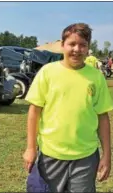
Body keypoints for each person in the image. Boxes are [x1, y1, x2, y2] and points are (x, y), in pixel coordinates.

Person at [23, 23, 113, 192]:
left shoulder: (96, 77)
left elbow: (103, 118)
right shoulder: (47, 72)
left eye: (82, 45)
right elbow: (34, 112)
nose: (77, 49)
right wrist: (30, 148)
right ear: (62, 45)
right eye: (72, 44)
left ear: (88, 48)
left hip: (85, 158)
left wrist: (107, 155)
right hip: (51, 155)